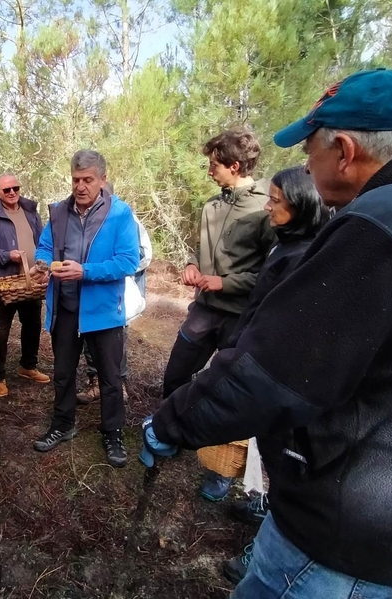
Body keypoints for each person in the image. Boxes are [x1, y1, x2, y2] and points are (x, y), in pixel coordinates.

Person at [143, 69, 392, 599]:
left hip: (351, 549)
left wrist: (170, 424)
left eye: (310, 147)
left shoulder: (378, 226)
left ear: (346, 150)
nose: (306, 164)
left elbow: (272, 377)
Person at [211, 166, 332, 584]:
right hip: (257, 355)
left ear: (301, 205)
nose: (268, 206)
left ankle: (265, 545)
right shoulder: (287, 243)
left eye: (276, 201)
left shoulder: (308, 255)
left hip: (282, 374)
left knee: (285, 460)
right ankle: (263, 504)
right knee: (270, 448)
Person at [163, 128, 275, 501]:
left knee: (229, 393)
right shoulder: (212, 205)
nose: (209, 171)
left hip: (239, 318)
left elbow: (271, 271)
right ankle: (170, 434)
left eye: (214, 165)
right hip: (203, 311)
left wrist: (223, 283)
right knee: (177, 374)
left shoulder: (266, 207)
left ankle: (223, 470)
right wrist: (192, 265)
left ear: (235, 165)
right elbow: (199, 248)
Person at [31, 150, 139, 468]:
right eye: (76, 180)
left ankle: (112, 432)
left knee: (109, 377)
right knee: (63, 374)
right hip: (64, 308)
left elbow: (128, 261)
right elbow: (46, 246)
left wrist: (85, 271)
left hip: (103, 312)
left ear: (102, 180)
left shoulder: (120, 214)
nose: (80, 187)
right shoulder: (59, 212)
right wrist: (41, 262)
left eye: (87, 180)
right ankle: (63, 425)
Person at [0, 172, 50, 398]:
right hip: (4, 287)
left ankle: (28, 366)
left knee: (33, 325)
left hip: (31, 283)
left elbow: (43, 243)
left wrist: (43, 266)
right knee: (0, 333)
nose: (12, 192)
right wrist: (7, 255)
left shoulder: (31, 214)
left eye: (15, 187)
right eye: (6, 189)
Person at [77, 191, 152, 404]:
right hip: (87, 294)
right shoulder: (80, 217)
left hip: (116, 296)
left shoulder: (124, 216)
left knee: (114, 345)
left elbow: (143, 254)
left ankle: (118, 386)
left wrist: (118, 270)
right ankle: (95, 384)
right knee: (89, 342)